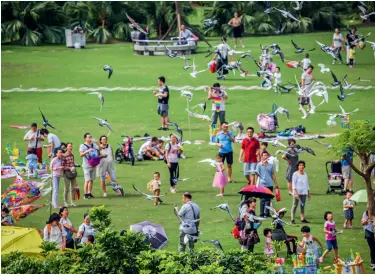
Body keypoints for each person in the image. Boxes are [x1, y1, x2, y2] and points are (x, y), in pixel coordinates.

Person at [256, 151, 279, 217]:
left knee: (268, 199)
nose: (265, 157)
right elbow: (256, 175)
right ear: (262, 156)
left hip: (269, 184)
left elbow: (273, 174)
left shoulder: (271, 165)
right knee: (262, 199)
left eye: (266, 155)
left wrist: (276, 183)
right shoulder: (259, 165)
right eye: (264, 155)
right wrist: (255, 184)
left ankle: (267, 213)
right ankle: (261, 213)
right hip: (262, 184)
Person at [79, 133, 102, 199]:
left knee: (91, 180)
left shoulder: (93, 145)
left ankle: (89, 193)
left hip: (93, 164)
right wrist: (87, 151)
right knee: (87, 180)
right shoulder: (82, 145)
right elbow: (81, 155)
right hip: (86, 165)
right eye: (89, 137)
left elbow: (100, 149)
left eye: (91, 137)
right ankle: (85, 194)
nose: (90, 138)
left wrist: (97, 142)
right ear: (85, 138)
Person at [62, 143, 77, 207]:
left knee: (73, 188)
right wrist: (69, 168)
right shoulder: (64, 156)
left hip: (73, 173)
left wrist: (75, 165)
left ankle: (72, 202)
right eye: (69, 146)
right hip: (66, 174)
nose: (71, 147)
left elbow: (72, 162)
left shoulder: (72, 155)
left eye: (71, 146)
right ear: (66, 148)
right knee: (67, 188)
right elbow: (62, 166)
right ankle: (65, 202)